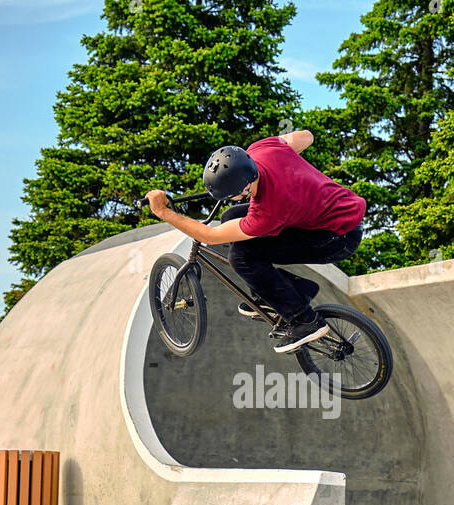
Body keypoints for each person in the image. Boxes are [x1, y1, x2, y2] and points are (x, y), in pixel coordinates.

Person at [144, 131, 366, 353]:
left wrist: (162, 211)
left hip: (338, 238)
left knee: (242, 257)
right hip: (335, 211)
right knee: (230, 217)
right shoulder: (262, 149)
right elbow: (307, 137)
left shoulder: (266, 213)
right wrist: (287, 163)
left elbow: (208, 236)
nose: (233, 200)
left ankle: (304, 321)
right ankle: (283, 293)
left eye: (233, 196)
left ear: (245, 187)